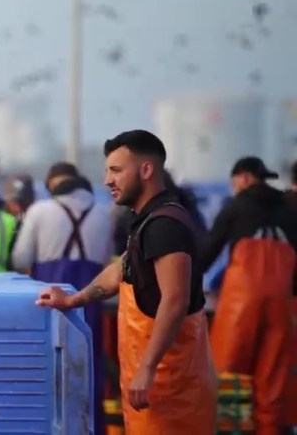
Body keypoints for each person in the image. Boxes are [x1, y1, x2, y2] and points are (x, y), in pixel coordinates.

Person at [36, 129, 216, 434]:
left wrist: (147, 369)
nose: (107, 180)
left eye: (116, 170)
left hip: (170, 389)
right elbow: (120, 270)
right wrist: (74, 299)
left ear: (146, 170)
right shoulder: (146, 222)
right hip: (153, 388)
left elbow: (175, 300)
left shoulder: (164, 226)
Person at [11, 161, 114, 435]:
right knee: (89, 369)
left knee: (47, 370)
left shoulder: (39, 211)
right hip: (91, 299)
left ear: (52, 186)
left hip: (48, 300)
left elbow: (20, 259)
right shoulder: (104, 214)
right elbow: (107, 261)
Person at [200, 156, 296, 434]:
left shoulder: (235, 206)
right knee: (273, 376)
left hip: (241, 301)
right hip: (281, 300)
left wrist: (189, 280)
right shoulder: (290, 210)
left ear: (243, 178)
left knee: (229, 372)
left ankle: (230, 429)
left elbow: (209, 249)